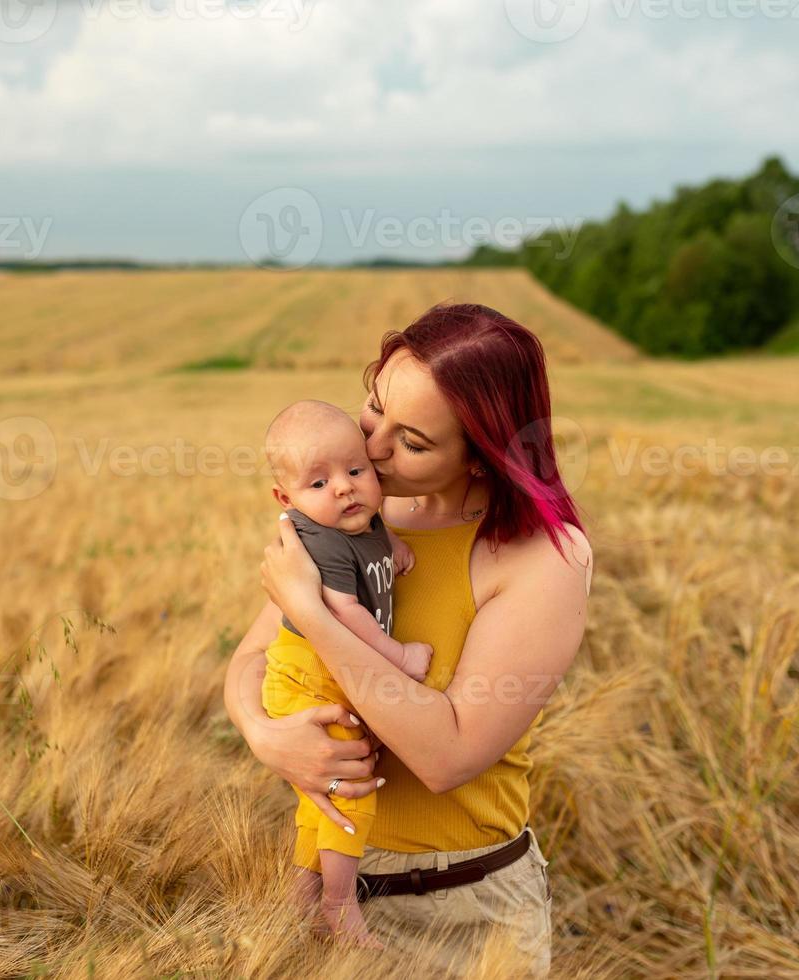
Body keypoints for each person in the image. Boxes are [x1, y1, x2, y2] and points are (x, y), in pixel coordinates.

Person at [224, 302, 593, 976]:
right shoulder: (358, 511)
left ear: (484, 457)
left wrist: (315, 614)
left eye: (413, 442)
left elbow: (448, 753)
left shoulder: (545, 558)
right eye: (374, 408)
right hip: (321, 890)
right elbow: (253, 658)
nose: (372, 448)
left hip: (464, 918)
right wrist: (264, 734)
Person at [260, 398, 432, 946]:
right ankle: (338, 902)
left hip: (325, 672)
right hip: (309, 676)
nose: (344, 488)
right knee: (351, 786)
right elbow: (345, 612)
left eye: (356, 470)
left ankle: (300, 893)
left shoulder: (362, 520)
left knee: (327, 793)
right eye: (319, 483)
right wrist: (400, 659)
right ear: (286, 501)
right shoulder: (323, 542)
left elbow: (372, 534)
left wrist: (393, 544)